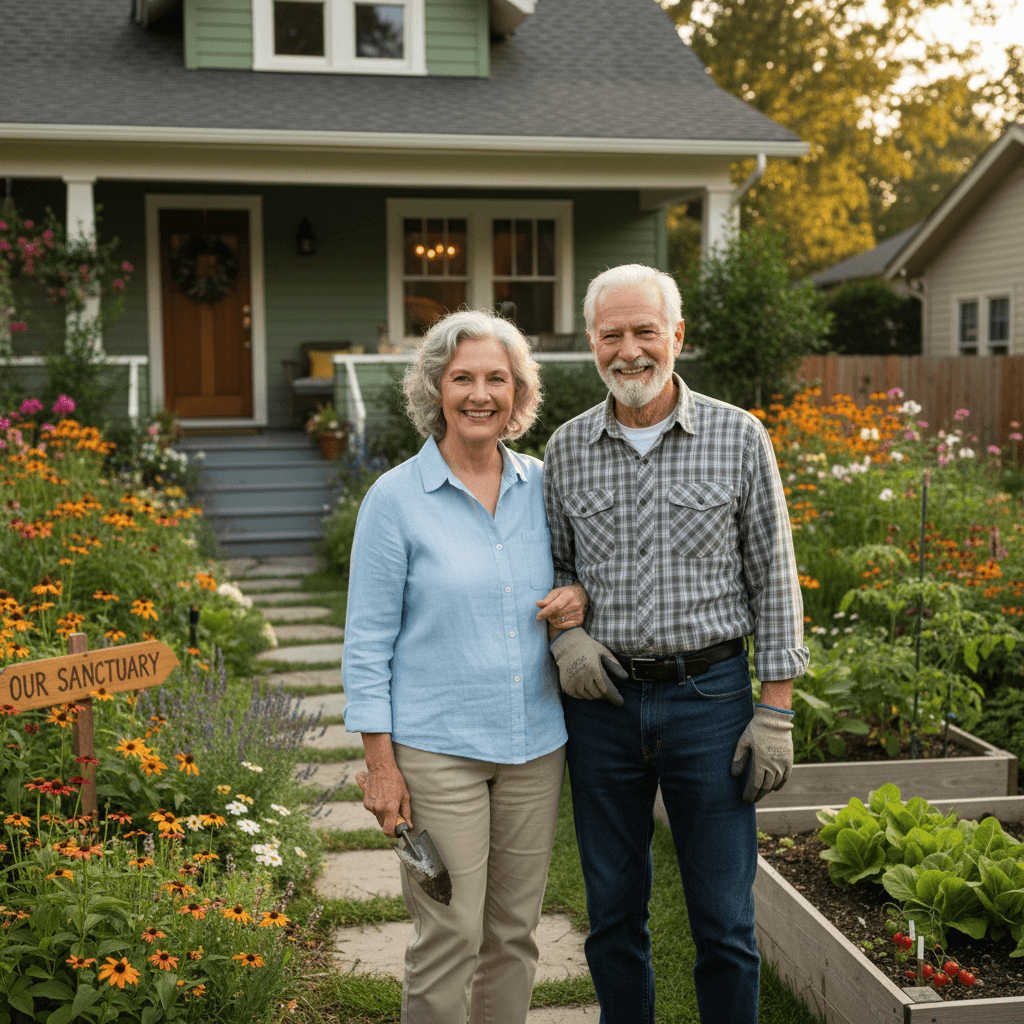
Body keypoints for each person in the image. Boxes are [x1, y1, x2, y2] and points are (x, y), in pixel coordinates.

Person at [542, 264, 809, 1024]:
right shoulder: (565, 450)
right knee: (614, 913)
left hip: (712, 703)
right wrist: (568, 636)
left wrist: (776, 708)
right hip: (603, 705)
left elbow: (775, 576)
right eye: (611, 334)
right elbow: (555, 567)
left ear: (677, 336)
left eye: (645, 331)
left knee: (724, 921)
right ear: (592, 342)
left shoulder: (738, 436)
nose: (629, 350)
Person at [341, 309, 586, 1024]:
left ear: (518, 394)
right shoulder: (394, 500)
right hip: (436, 750)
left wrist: (577, 595)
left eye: (496, 380)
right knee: (449, 933)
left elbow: (579, 576)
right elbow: (365, 644)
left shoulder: (545, 487)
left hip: (534, 746)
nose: (480, 395)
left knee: (514, 934)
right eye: (462, 378)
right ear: (435, 390)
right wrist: (380, 766)